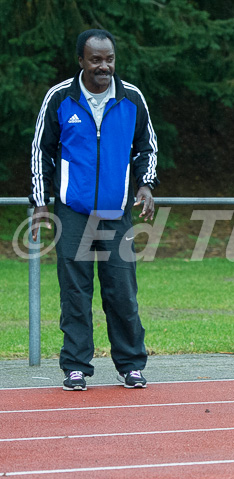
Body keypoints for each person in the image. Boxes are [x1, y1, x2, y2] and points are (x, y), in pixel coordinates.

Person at [30, 29, 158, 391]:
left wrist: (146, 185)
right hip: (73, 211)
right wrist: (41, 202)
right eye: (96, 59)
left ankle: (131, 365)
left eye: (109, 59)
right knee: (75, 292)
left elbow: (147, 147)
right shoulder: (60, 98)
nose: (104, 66)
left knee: (121, 291)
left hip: (116, 213)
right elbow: (42, 152)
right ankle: (75, 366)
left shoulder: (131, 97)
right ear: (81, 61)